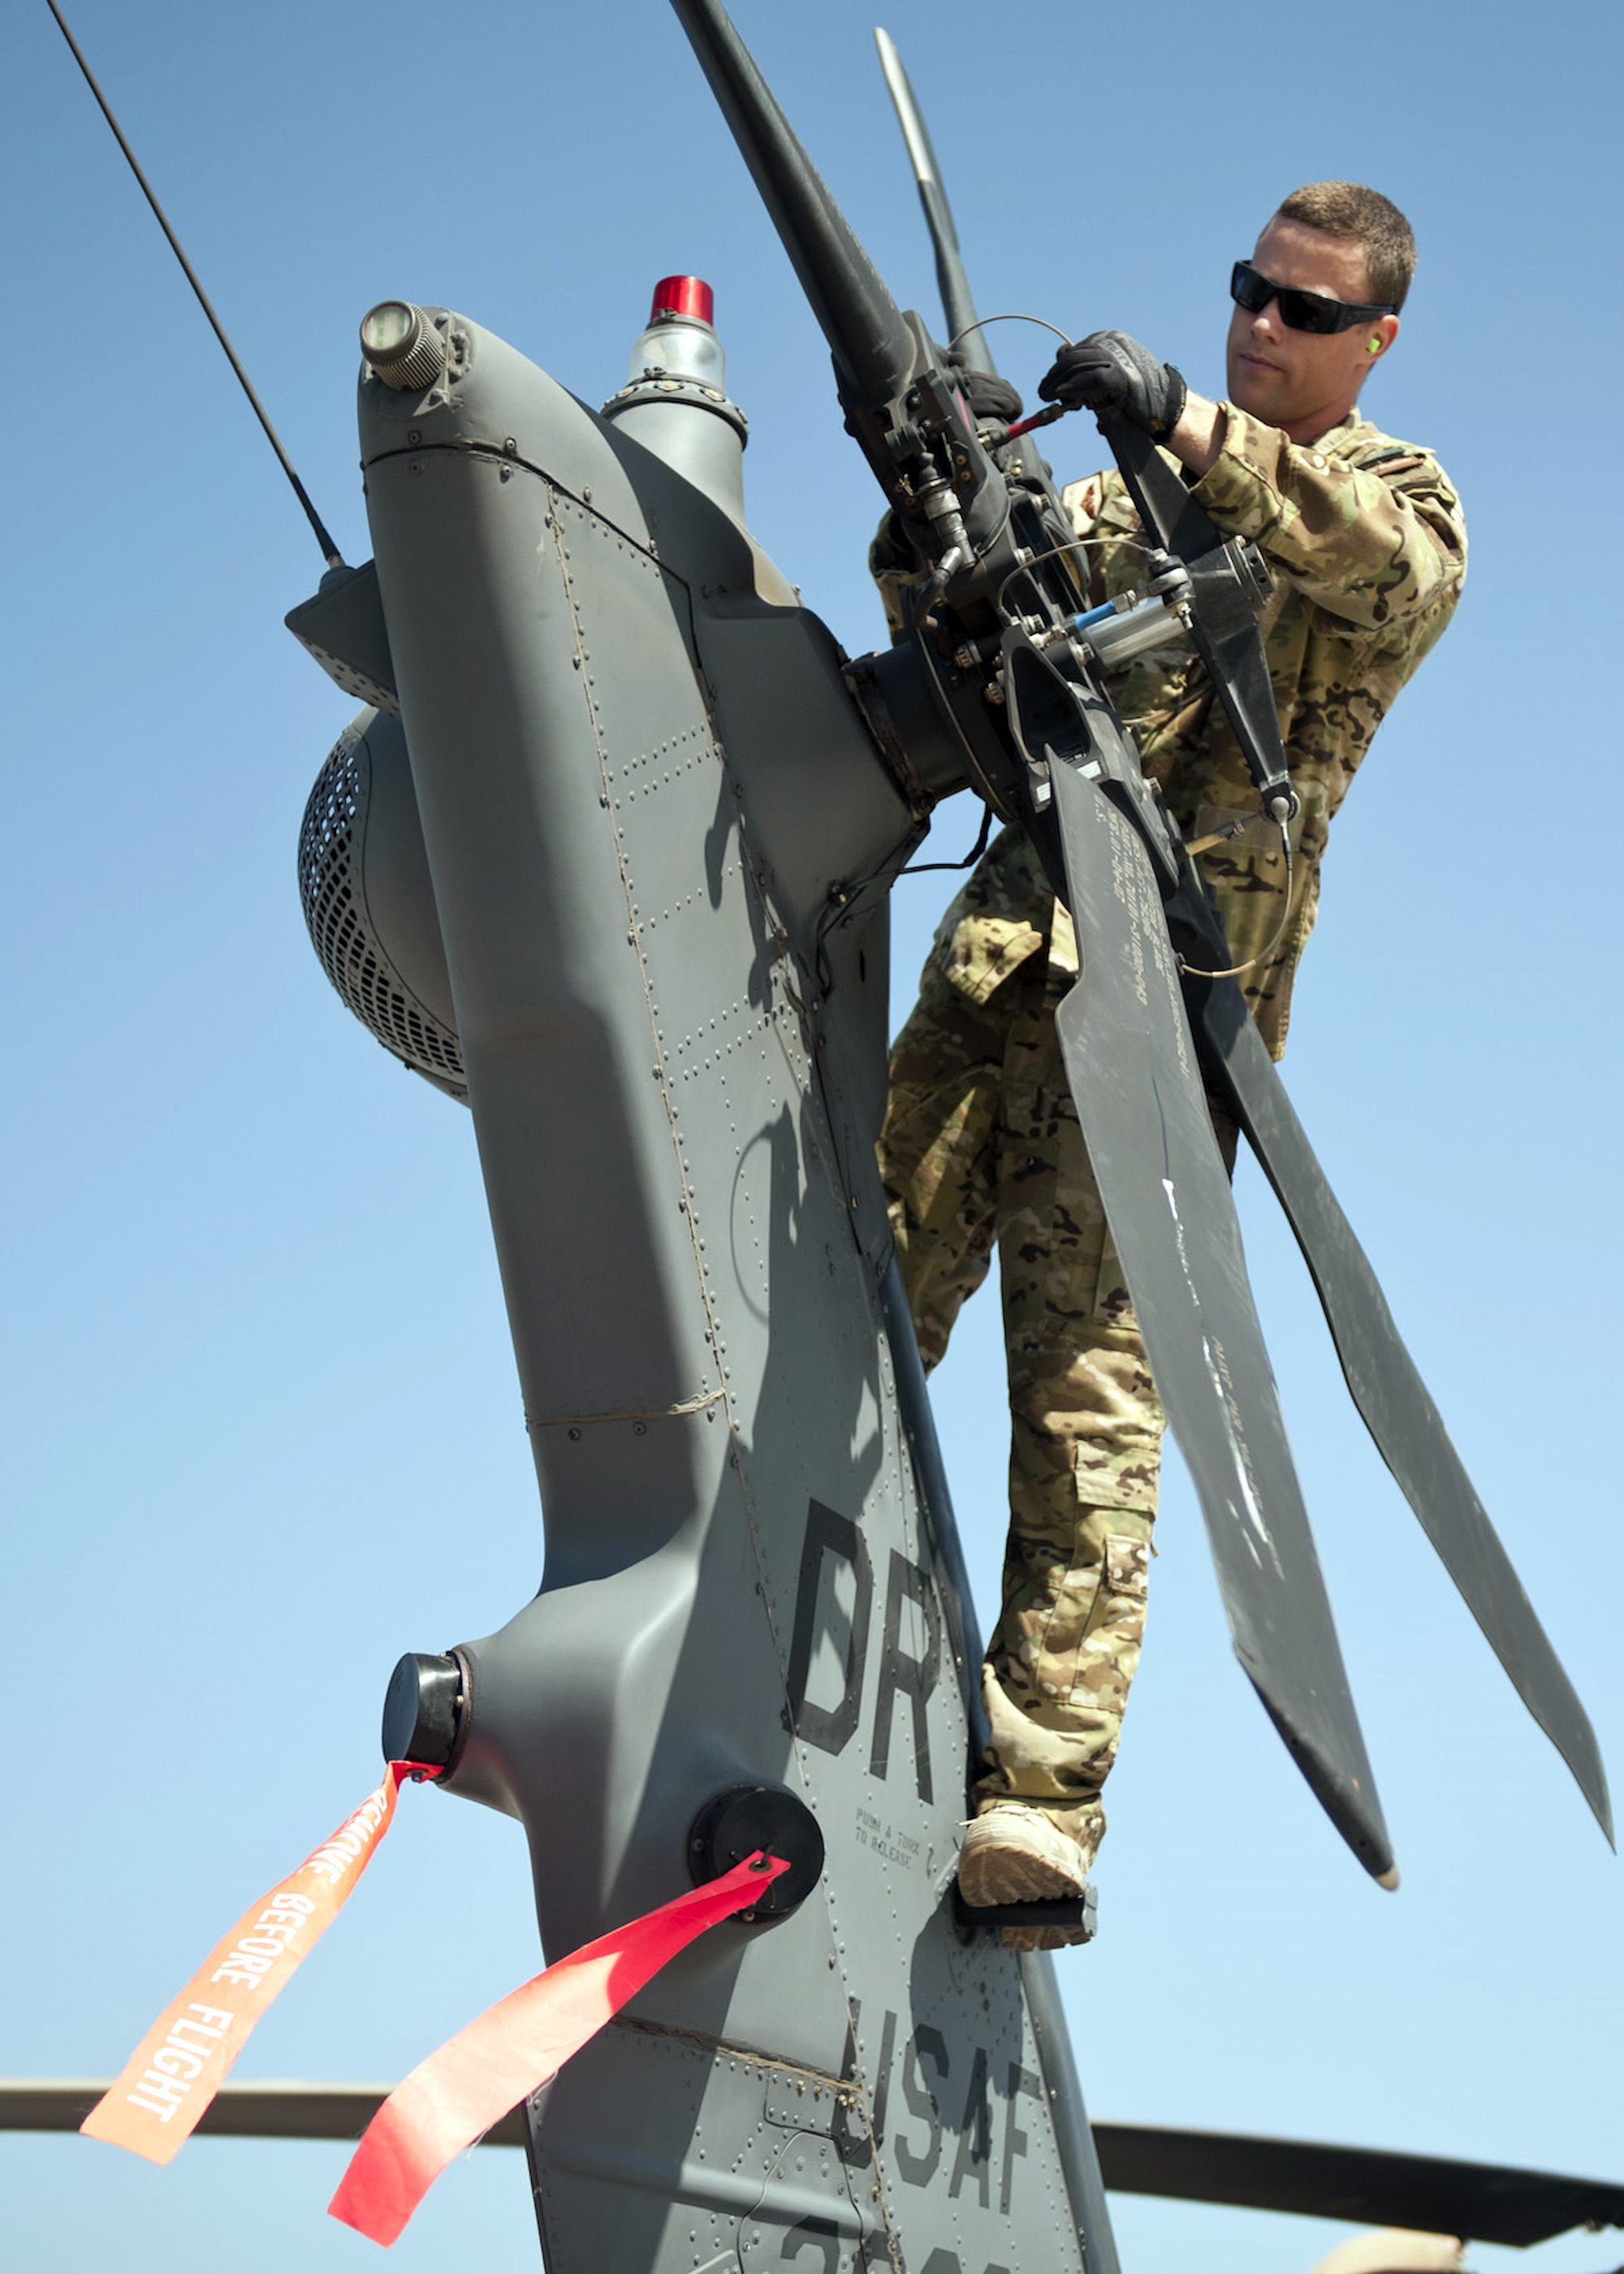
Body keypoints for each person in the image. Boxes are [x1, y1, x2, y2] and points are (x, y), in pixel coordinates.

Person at [875, 183, 1467, 1943]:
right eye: (1244, 294)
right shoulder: (1109, 503)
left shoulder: (1397, 501)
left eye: (1301, 311)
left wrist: (1183, 423)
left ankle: (1033, 1801)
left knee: (1091, 1414)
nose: (1260, 327)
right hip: (1003, 974)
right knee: (851, 1299)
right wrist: (933, 492)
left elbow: (1371, 565)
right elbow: (954, 646)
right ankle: (791, 1621)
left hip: (1166, 1034)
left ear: (1370, 339)